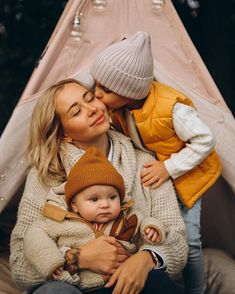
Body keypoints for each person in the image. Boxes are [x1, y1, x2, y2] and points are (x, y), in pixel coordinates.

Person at [10, 78, 188, 294]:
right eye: (76, 112)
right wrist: (78, 258)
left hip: (133, 285)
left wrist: (147, 258)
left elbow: (177, 238)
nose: (92, 109)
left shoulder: (147, 164)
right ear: (64, 134)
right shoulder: (44, 176)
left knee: (156, 283)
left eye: (90, 98)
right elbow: (20, 264)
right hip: (74, 287)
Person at [90, 31, 222, 294]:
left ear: (129, 91)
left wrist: (168, 168)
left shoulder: (172, 108)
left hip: (187, 177)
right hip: (156, 184)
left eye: (105, 90)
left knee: (191, 240)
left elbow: (205, 141)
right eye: (96, 85)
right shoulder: (120, 109)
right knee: (158, 235)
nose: (97, 94)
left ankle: (195, 291)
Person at [23, 146, 167, 292]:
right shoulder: (59, 222)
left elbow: (144, 222)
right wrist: (52, 261)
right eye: (94, 199)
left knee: (158, 280)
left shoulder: (128, 216)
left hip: (123, 283)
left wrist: (151, 229)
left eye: (112, 197)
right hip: (83, 287)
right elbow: (34, 236)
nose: (105, 204)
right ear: (75, 205)